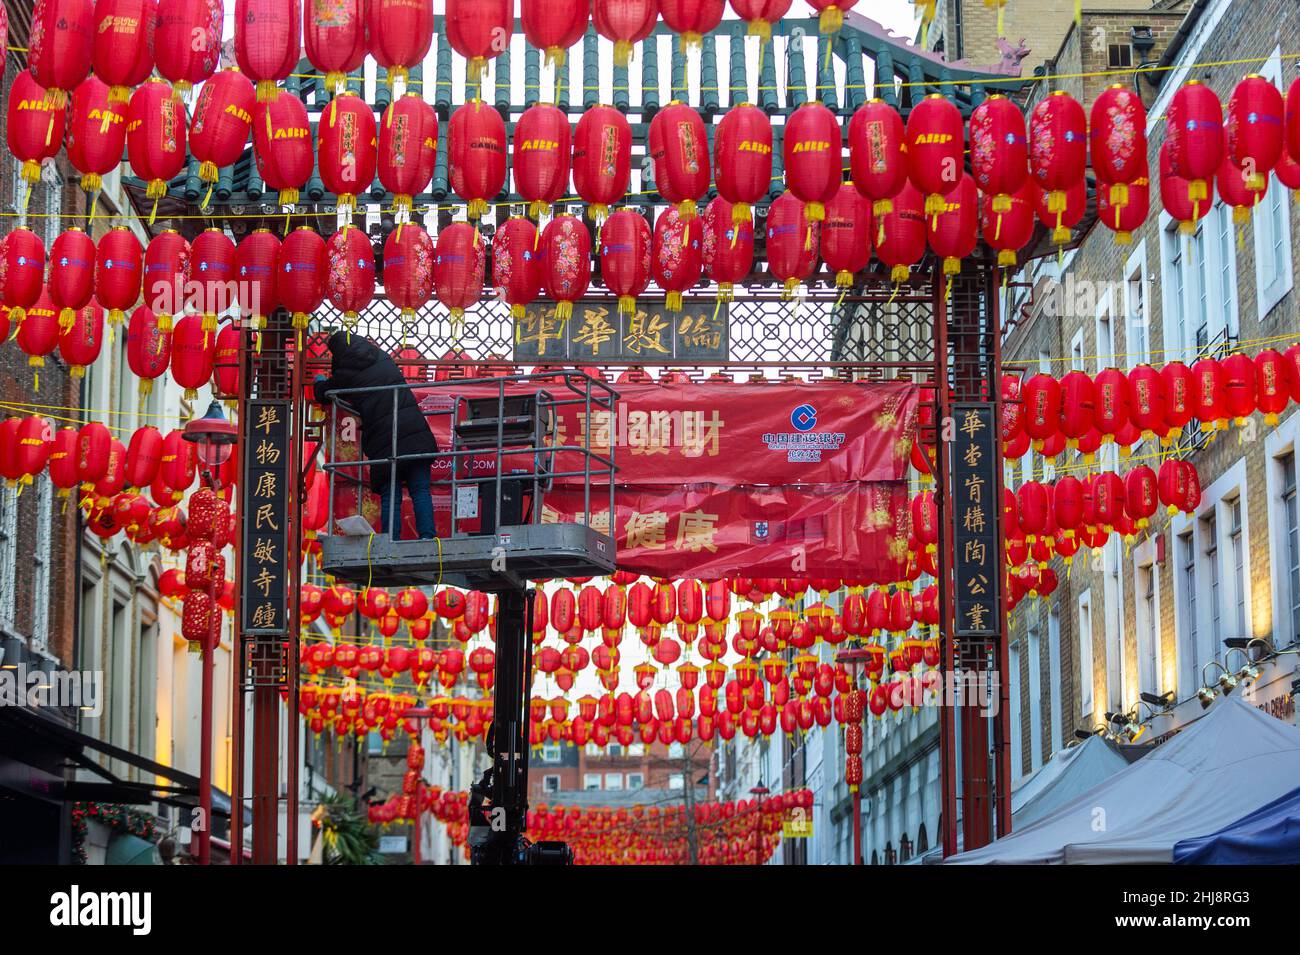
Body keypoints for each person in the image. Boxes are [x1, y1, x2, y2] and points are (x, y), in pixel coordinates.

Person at [313, 330, 438, 540]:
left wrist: (318, 381)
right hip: (416, 433)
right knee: (420, 490)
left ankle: (391, 540)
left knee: (391, 494)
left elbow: (325, 392)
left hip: (385, 440)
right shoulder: (382, 357)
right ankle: (428, 537)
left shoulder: (347, 372)